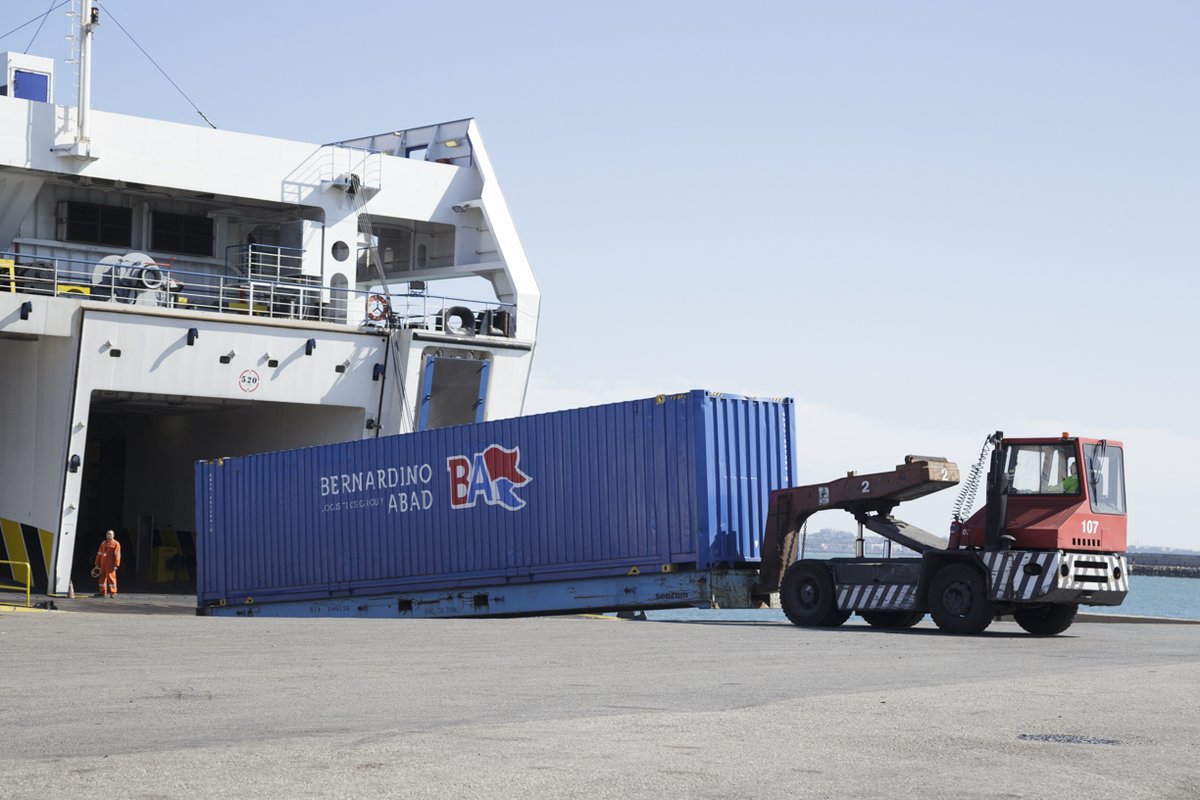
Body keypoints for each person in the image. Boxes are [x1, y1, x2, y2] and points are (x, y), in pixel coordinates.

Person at [94, 529, 121, 598]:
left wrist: (116, 564)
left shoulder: (116, 544)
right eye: (107, 534)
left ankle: (113, 592)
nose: (108, 535)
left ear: (113, 535)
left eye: (110, 534)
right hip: (103, 564)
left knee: (111, 578)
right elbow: (99, 553)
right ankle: (102, 592)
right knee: (102, 578)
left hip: (111, 564)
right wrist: (97, 563)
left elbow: (117, 555)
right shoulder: (103, 543)